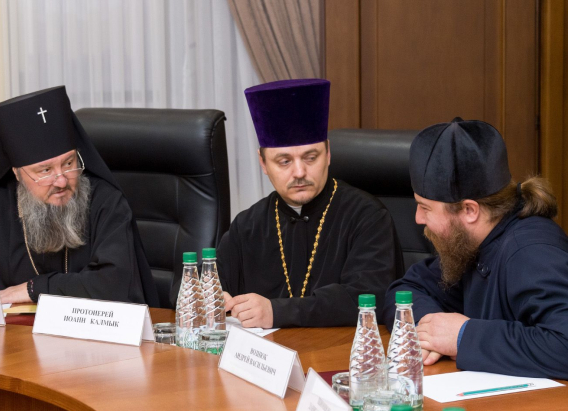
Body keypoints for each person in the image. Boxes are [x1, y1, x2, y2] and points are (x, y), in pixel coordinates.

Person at [0, 86, 159, 307]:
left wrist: (33, 289)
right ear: (17, 173)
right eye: (45, 171)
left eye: (69, 163)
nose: (61, 181)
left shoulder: (106, 203)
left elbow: (116, 284)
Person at [383, 117, 568, 379]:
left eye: (425, 207)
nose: (418, 218)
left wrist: (462, 336)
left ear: (470, 210)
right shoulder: (474, 241)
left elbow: (563, 343)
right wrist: (431, 331)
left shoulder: (530, 252)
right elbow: (405, 290)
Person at [217, 79, 403, 328]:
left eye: (310, 157)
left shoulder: (368, 216)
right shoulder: (248, 225)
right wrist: (211, 297)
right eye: (284, 161)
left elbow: (368, 299)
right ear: (263, 163)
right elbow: (196, 281)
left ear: (328, 154)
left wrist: (276, 312)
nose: (299, 172)